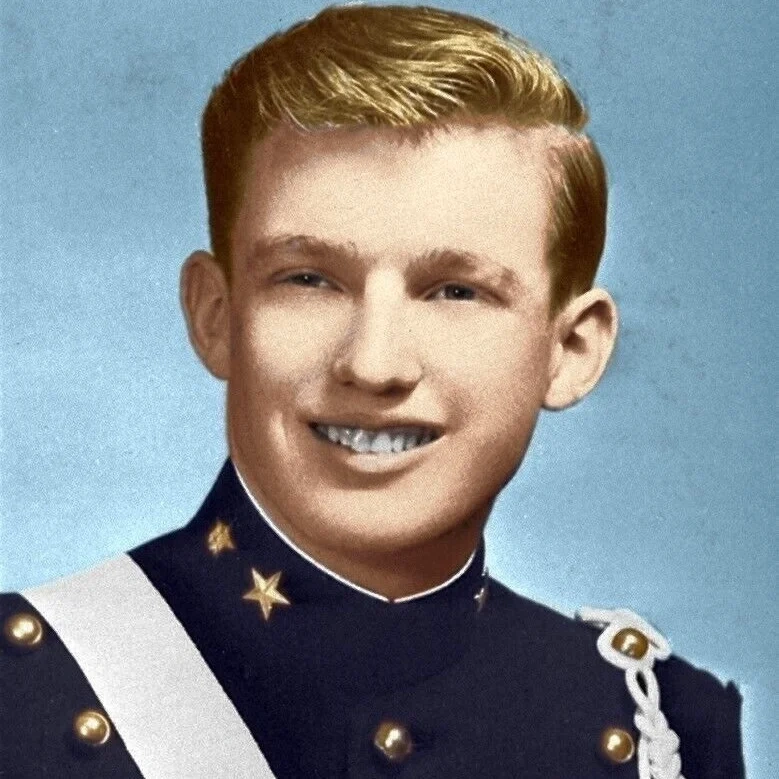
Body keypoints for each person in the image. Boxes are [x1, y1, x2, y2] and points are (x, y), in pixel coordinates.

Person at [0, 5, 744, 778]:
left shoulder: (658, 730)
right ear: (217, 316)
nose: (374, 363)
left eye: (456, 290)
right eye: (309, 280)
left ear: (570, 350)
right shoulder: (22, 697)